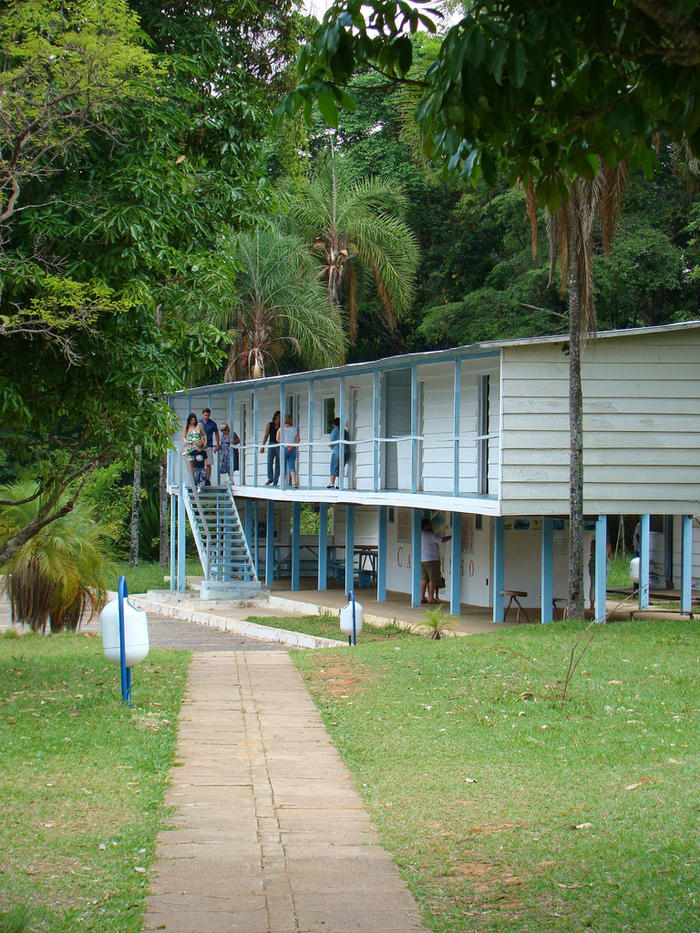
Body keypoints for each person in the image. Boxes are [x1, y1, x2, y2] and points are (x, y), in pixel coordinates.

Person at [420, 518, 451, 604]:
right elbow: (440, 540)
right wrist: (452, 537)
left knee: (424, 579)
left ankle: (422, 597)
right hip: (432, 559)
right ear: (425, 525)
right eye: (429, 524)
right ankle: (431, 597)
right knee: (432, 579)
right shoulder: (429, 534)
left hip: (422, 559)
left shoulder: (420, 534)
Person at [589, 537, 613, 611]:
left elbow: (591, 552)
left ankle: (592, 605)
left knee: (593, 585)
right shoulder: (607, 544)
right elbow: (610, 555)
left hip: (593, 565)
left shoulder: (593, 543)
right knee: (602, 585)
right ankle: (601, 605)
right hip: (604, 566)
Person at [277, 413, 300, 488]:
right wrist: (291, 445)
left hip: (284, 448)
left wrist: (285, 444)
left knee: (283, 465)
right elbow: (298, 439)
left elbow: (277, 439)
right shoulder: (294, 428)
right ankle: (294, 482)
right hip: (292, 448)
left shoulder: (281, 428)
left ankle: (282, 483)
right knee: (292, 466)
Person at [182, 412, 206, 482]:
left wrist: (205, 442)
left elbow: (204, 434)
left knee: (200, 461)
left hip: (199, 446)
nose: (193, 422)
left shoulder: (199, 425)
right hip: (191, 446)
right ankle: (193, 479)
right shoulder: (186, 427)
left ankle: (201, 479)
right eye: (191, 420)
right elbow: (183, 436)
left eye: (194, 420)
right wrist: (185, 440)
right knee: (192, 463)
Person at [199, 408, 220, 485]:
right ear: (202, 415)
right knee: (199, 462)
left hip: (209, 445)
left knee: (208, 463)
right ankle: (200, 479)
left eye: (208, 415)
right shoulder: (199, 423)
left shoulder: (212, 424)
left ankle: (207, 479)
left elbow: (216, 433)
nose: (206, 417)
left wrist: (217, 444)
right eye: (205, 415)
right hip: (200, 446)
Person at [260, 410, 281, 486]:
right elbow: (266, 435)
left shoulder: (282, 426)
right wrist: (263, 446)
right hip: (271, 444)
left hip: (279, 444)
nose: (280, 418)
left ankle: (276, 480)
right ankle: (270, 479)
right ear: (276, 416)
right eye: (279, 416)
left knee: (278, 463)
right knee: (270, 462)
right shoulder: (270, 425)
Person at [328, 417, 341, 488]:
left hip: (336, 451)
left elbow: (331, 442)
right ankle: (339, 484)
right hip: (345, 451)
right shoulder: (344, 431)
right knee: (340, 467)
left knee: (333, 467)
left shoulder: (335, 430)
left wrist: (331, 446)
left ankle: (332, 483)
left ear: (334, 424)